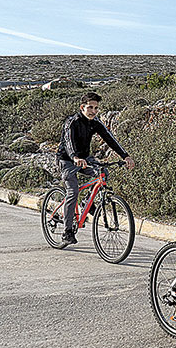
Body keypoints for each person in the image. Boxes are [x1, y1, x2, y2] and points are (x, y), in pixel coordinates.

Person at [56, 91, 135, 248]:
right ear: (82, 107)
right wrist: (75, 157)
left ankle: (87, 202)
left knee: (103, 173)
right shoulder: (72, 122)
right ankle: (67, 232)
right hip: (67, 160)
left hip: (85, 158)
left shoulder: (95, 122)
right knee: (73, 191)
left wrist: (125, 156)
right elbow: (68, 142)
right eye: (90, 107)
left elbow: (110, 138)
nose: (93, 111)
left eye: (96, 108)